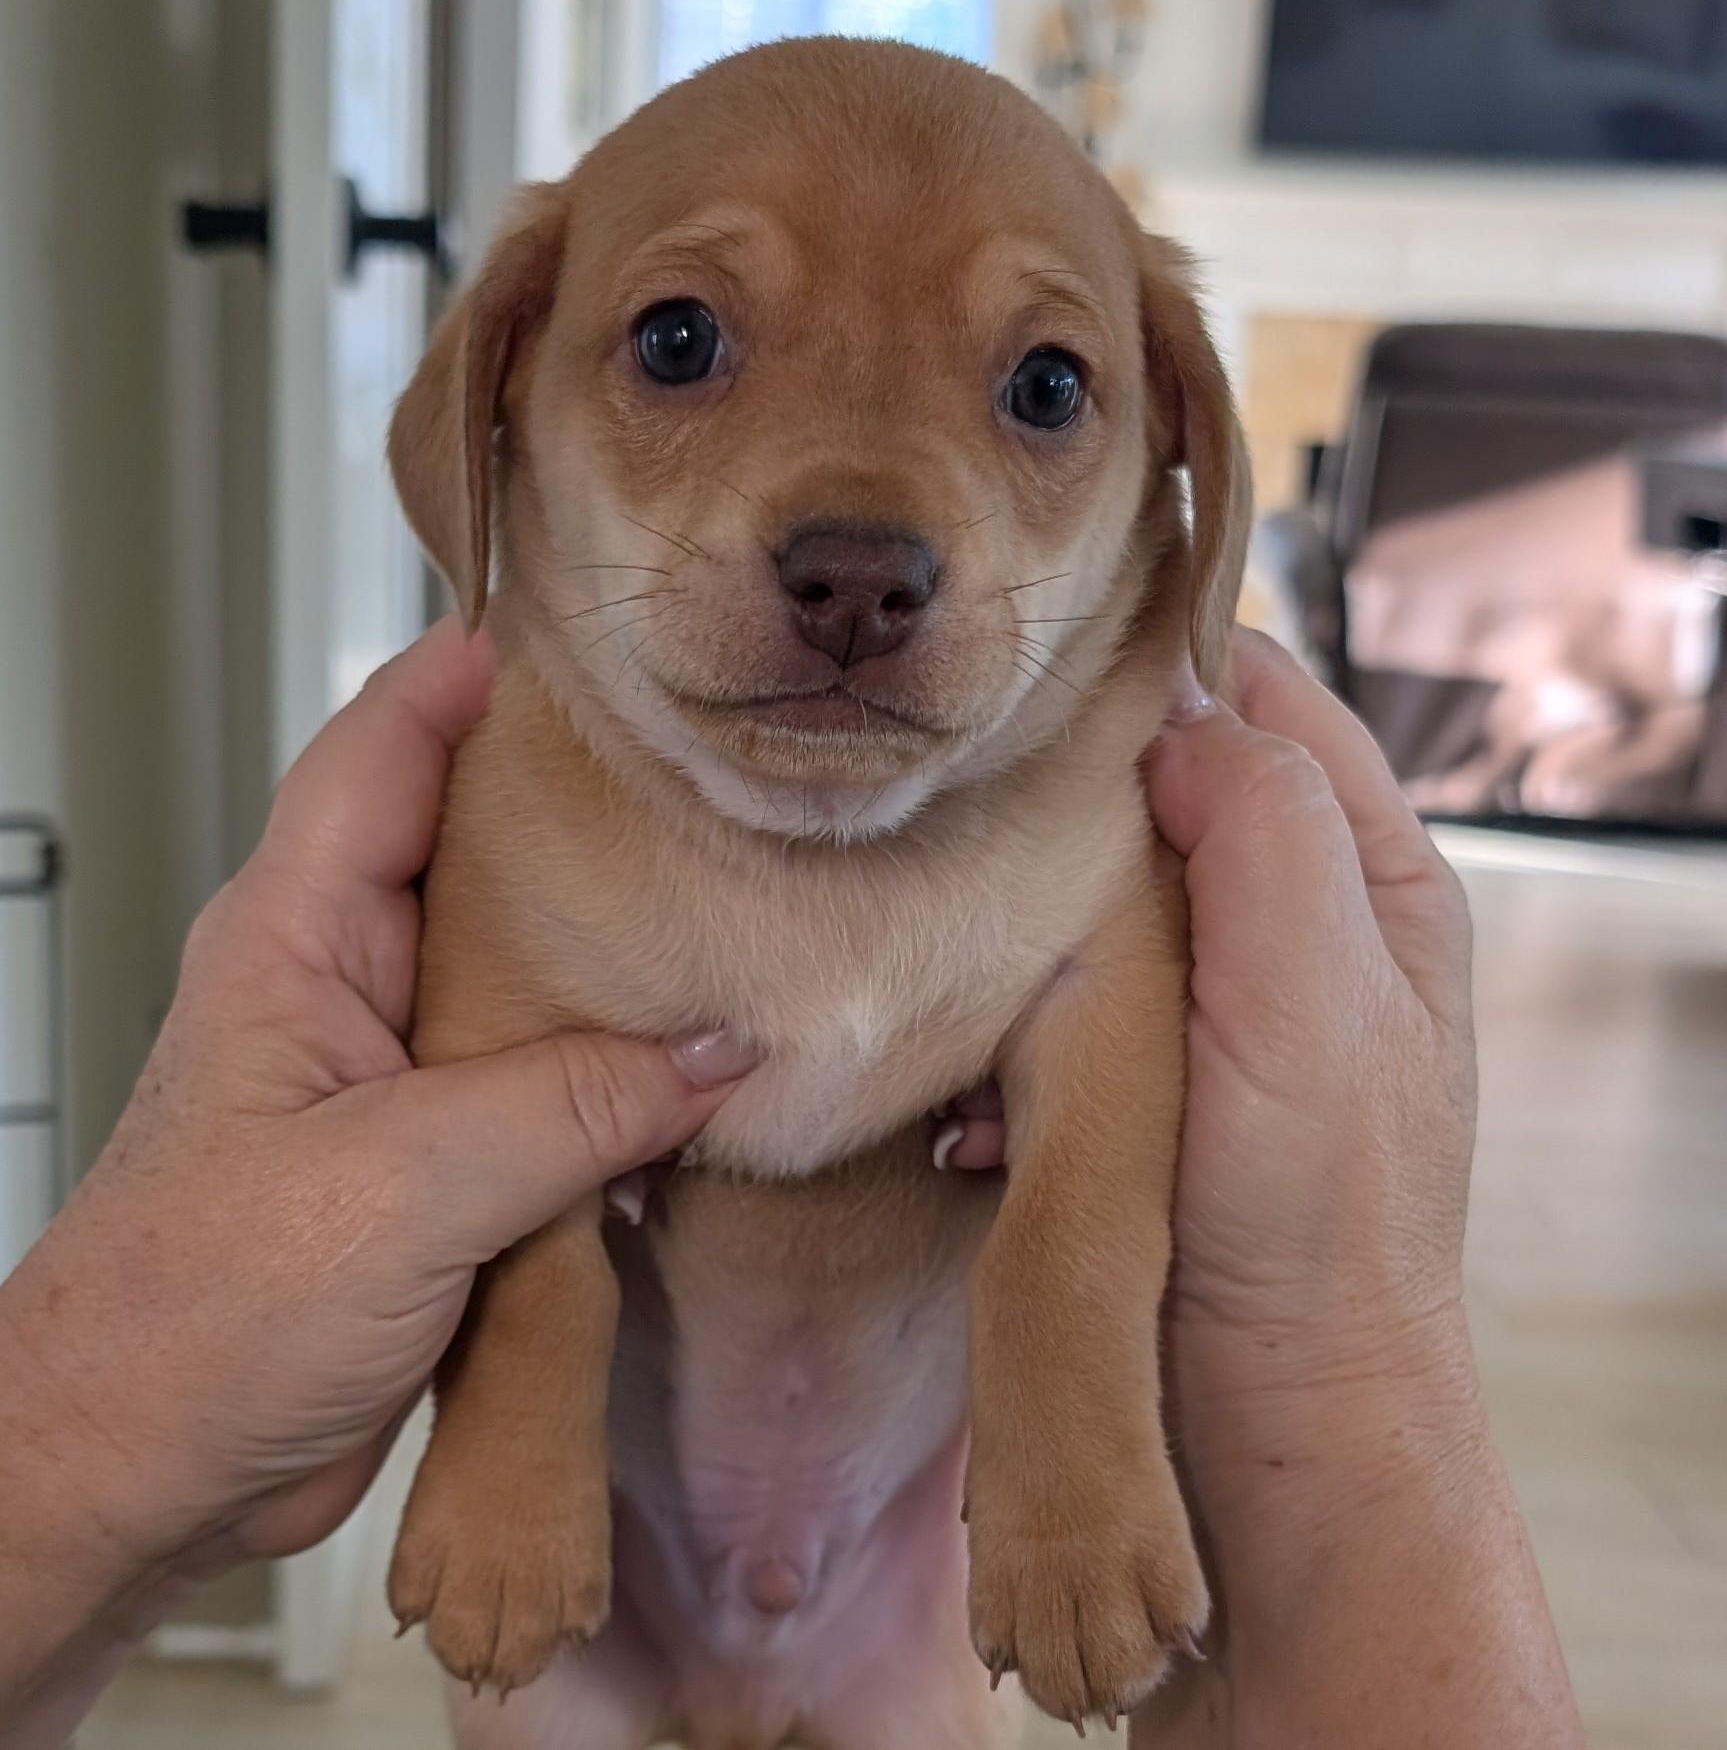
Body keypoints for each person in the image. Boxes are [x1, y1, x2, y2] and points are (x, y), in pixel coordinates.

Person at [0, 621, 1586, 1750]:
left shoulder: (1105, 774)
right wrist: (506, 1382)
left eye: (1039, 389)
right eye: (684, 345)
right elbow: (473, 1064)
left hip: (907, 1542)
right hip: (607, 1523)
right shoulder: (519, 767)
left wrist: (1279, 1376)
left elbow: (1111, 1025)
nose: (861, 551)